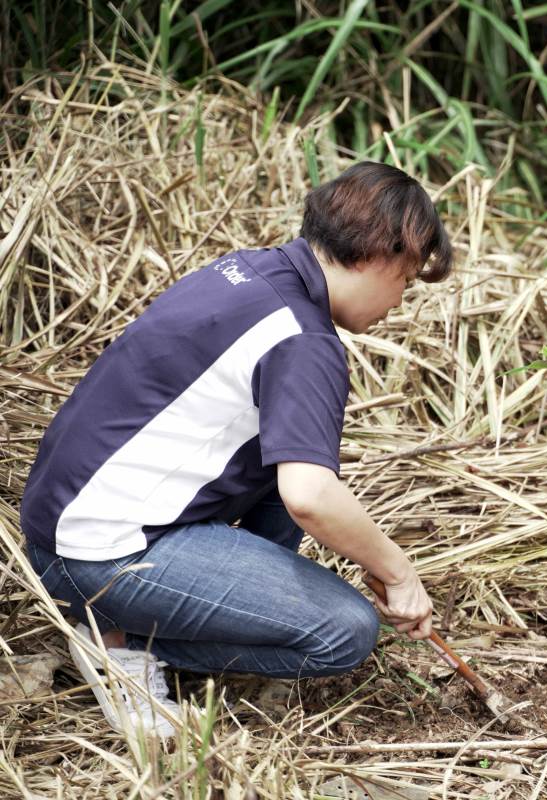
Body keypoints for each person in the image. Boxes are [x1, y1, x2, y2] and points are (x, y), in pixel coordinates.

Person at [21, 162, 453, 739]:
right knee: (346, 632)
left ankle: (160, 613)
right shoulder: (304, 339)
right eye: (406, 278)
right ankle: (118, 644)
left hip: (62, 520)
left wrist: (363, 552)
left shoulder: (245, 271)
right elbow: (310, 497)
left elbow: (300, 483)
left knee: (299, 453)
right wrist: (396, 573)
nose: (402, 298)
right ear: (381, 253)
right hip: (101, 556)